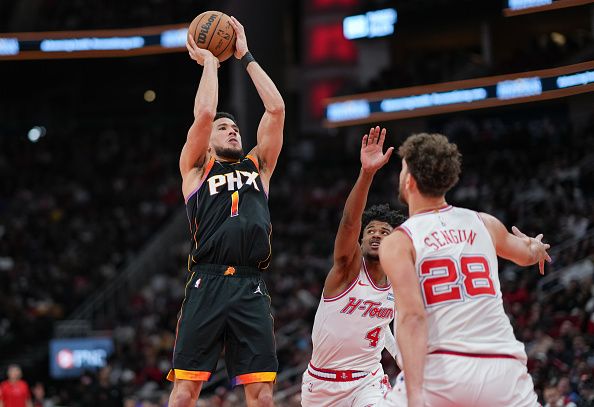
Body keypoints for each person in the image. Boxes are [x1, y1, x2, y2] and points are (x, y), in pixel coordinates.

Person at [379, 133, 551, 407]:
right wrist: (536, 248)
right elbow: (528, 254)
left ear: (409, 180)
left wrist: (414, 397)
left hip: (443, 370)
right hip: (503, 368)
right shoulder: (484, 223)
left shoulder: (398, 242)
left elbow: (412, 318)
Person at [167, 15, 285, 407]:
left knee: (263, 395)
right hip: (207, 281)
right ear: (208, 142)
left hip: (251, 284)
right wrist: (212, 62)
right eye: (224, 128)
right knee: (185, 393)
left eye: (235, 127)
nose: (232, 129)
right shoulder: (197, 168)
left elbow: (277, 108)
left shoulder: (259, 166)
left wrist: (245, 55)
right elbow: (204, 115)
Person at [301, 126, 405, 407]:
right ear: (360, 240)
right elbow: (349, 222)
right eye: (370, 230)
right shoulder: (347, 270)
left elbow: (382, 327)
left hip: (367, 381)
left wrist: (400, 358)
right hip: (322, 385)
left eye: (385, 232)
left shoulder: (398, 281)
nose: (375, 235)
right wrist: (367, 173)